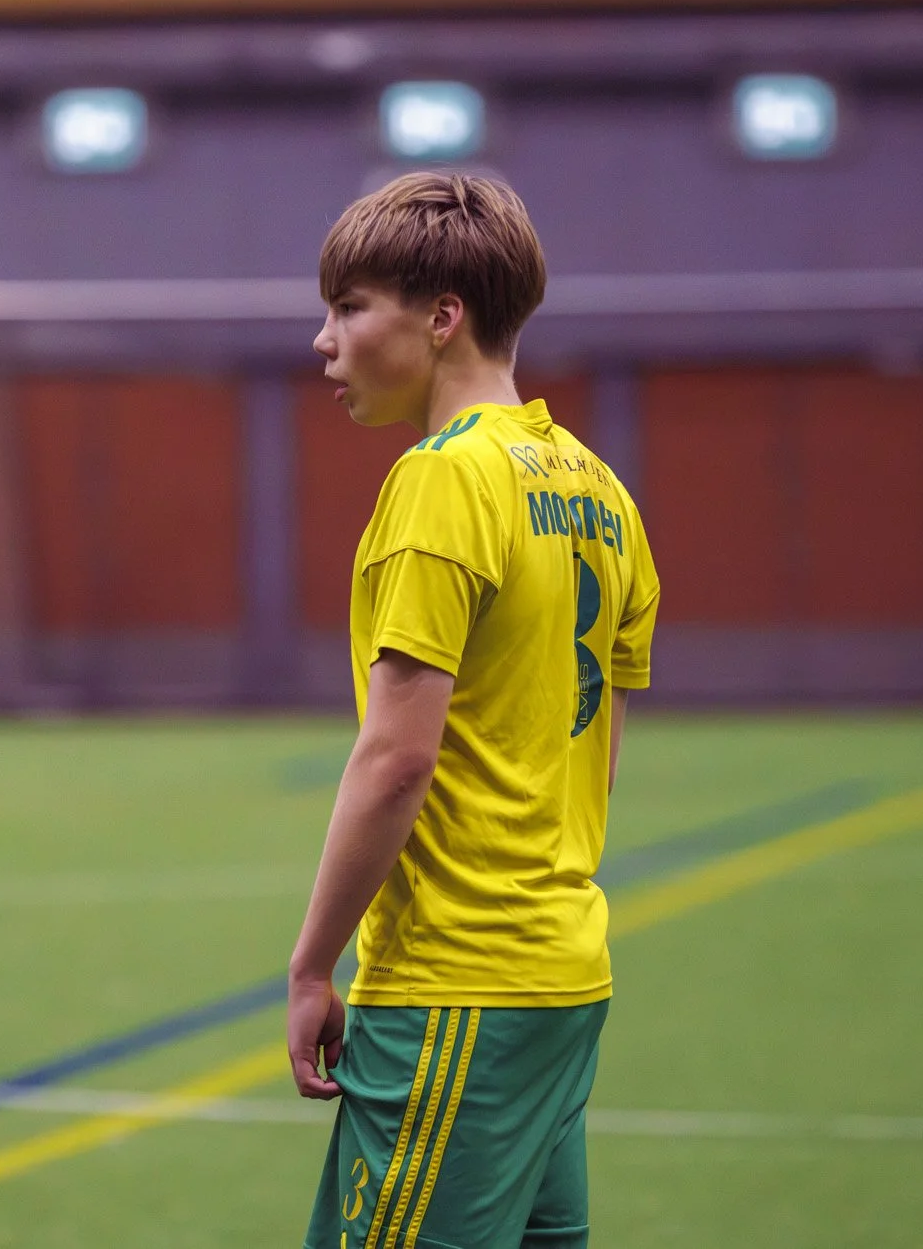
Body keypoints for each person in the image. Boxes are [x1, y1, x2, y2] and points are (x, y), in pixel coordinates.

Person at [288, 172, 659, 1249]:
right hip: (560, 978)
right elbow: (595, 755)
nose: (325, 340)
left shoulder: (442, 480)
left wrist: (314, 963)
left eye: (350, 308)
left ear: (440, 315)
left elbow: (394, 758)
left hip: (455, 985)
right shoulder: (601, 492)